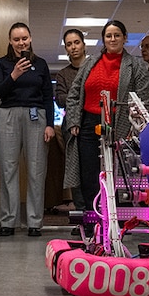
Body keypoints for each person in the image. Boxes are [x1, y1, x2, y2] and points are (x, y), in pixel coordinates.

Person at [64, 20, 149, 211]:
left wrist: (134, 129)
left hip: (120, 125)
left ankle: (117, 220)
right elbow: (74, 94)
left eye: (117, 35)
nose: (112, 39)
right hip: (88, 125)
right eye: (108, 36)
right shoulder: (90, 63)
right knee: (89, 174)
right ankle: (92, 218)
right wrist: (73, 121)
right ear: (103, 39)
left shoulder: (136, 65)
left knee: (119, 174)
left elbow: (143, 100)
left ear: (125, 38)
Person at [0, 22, 55, 237]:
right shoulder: (2, 64)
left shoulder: (42, 64)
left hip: (36, 116)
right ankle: (8, 221)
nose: (21, 43)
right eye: (17, 39)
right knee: (8, 169)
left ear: (30, 39)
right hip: (8, 115)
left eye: (24, 38)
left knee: (36, 170)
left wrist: (49, 124)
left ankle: (34, 222)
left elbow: (48, 95)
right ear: (10, 41)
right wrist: (15, 74)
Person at [53, 28, 88, 213]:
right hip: (71, 127)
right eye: (69, 44)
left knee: (92, 170)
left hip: (91, 124)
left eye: (76, 42)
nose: (73, 47)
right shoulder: (63, 74)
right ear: (66, 49)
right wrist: (81, 98)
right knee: (75, 170)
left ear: (84, 45)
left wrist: (73, 98)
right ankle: (82, 215)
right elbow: (60, 99)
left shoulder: (94, 69)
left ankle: (98, 213)